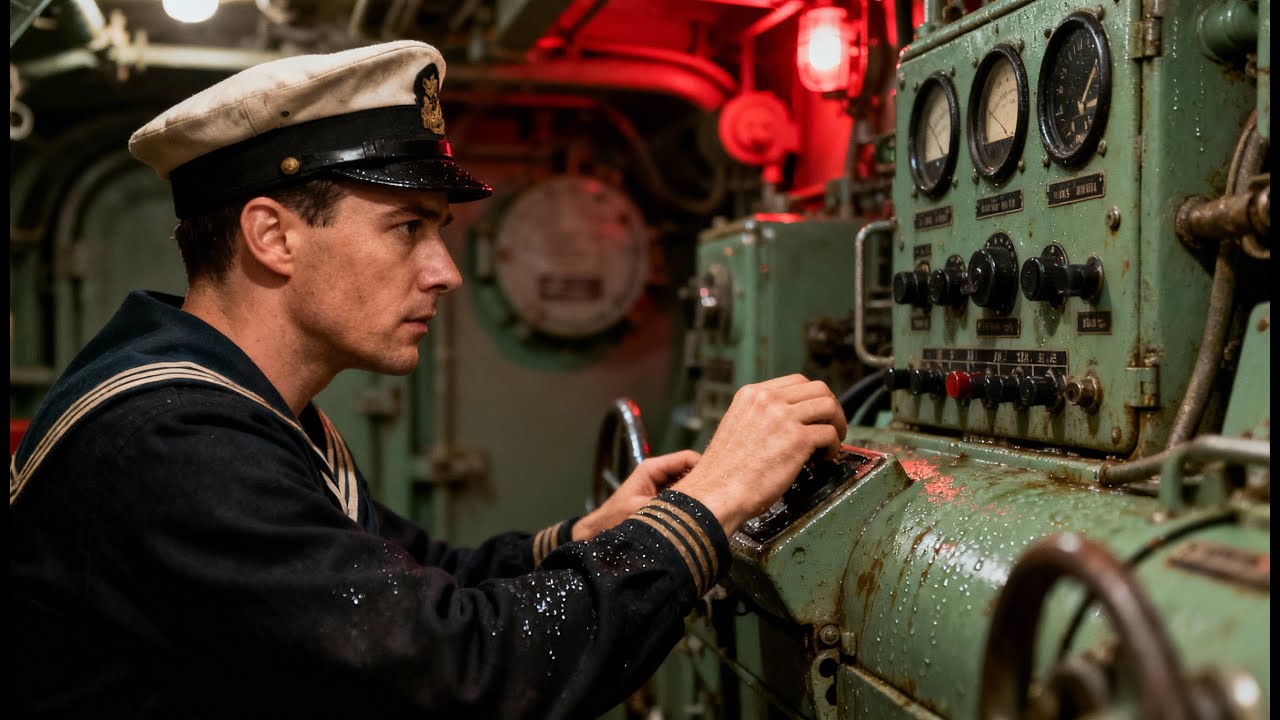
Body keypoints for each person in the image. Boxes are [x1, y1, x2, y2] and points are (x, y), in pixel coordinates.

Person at [9, 40, 846, 719]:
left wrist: (589, 536)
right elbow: (460, 674)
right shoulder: (171, 442)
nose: (444, 270)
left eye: (438, 231)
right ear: (273, 236)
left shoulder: (248, 409)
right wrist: (707, 511)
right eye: (406, 227)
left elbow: (417, 578)